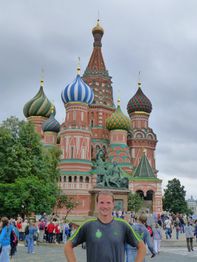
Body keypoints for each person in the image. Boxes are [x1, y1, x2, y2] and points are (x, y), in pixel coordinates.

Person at [64, 190, 146, 262]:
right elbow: (68, 245)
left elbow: (141, 246)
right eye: (102, 202)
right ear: (97, 204)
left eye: (108, 203)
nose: (105, 206)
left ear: (113, 204)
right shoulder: (88, 225)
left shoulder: (123, 225)